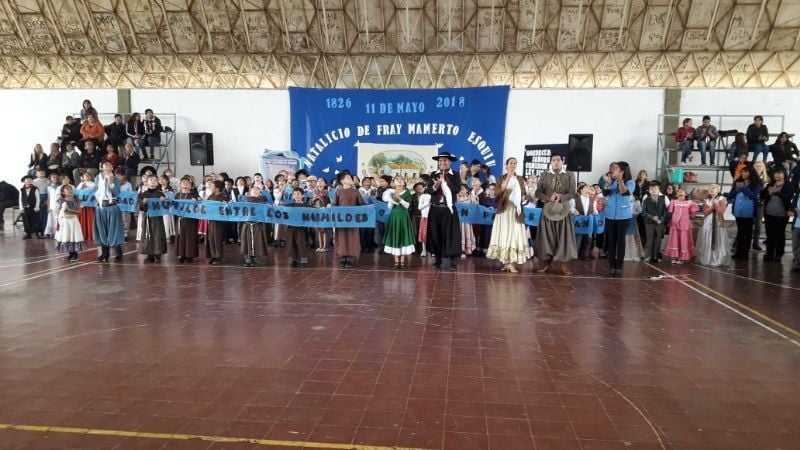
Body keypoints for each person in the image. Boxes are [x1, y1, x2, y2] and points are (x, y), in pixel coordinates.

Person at [535, 154, 577, 275]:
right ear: (550, 162)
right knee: (546, 237)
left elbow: (572, 193)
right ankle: (546, 262)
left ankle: (565, 264)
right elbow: (538, 192)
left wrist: (561, 197)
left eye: (558, 160)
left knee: (564, 237)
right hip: (548, 209)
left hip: (563, 209)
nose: (556, 162)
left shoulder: (569, 174)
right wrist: (549, 197)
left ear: (562, 161)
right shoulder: (544, 175)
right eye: (554, 160)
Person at [487, 157, 528, 273]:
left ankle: (511, 263)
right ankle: (506, 263)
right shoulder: (501, 178)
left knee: (514, 234)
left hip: (515, 210)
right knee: (504, 234)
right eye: (511, 163)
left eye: (515, 163)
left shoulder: (519, 179)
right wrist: (503, 188)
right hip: (504, 210)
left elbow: (523, 193)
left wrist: (524, 195)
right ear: (506, 165)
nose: (513, 165)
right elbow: (496, 194)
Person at [426, 151, 463, 271]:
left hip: (449, 209)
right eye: (440, 161)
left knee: (451, 234)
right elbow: (428, 190)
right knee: (436, 234)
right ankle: (437, 260)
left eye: (445, 161)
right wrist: (436, 186)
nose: (442, 163)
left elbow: (457, 190)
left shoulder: (455, 175)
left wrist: (446, 183)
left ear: (450, 162)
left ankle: (453, 261)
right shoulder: (433, 174)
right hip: (436, 209)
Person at [602, 162, 635, 277]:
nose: (612, 169)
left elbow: (624, 192)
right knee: (611, 240)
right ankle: (612, 265)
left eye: (615, 168)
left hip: (623, 216)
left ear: (622, 171)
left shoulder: (630, 182)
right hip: (610, 215)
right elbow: (605, 194)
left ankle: (619, 266)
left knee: (620, 241)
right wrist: (607, 183)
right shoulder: (612, 182)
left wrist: (620, 181)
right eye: (611, 167)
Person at [761, 168, 796, 262]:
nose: (777, 175)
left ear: (784, 174)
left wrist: (776, 192)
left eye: (779, 173)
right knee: (770, 234)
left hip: (782, 214)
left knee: (780, 234)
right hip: (769, 213)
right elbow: (762, 196)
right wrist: (767, 192)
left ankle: (779, 254)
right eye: (775, 173)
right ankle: (769, 253)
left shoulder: (789, 185)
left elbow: (787, 198)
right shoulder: (770, 184)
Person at [727, 166, 762, 260]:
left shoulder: (756, 184)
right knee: (740, 232)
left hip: (749, 212)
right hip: (738, 211)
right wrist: (737, 190)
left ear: (751, 173)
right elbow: (730, 196)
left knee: (747, 233)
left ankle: (745, 253)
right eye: (742, 172)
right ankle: (738, 252)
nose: (743, 174)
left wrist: (742, 189)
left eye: (746, 172)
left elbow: (753, 196)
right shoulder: (737, 182)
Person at [93, 161, 125, 262]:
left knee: (114, 230)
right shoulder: (98, 178)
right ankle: (104, 253)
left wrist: (111, 184)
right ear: (102, 168)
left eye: (109, 165)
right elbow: (95, 191)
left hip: (112, 207)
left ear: (112, 167)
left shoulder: (115, 178)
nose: (107, 167)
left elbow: (117, 192)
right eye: (105, 165)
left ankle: (118, 252)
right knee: (102, 230)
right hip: (101, 207)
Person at [382, 176, 416, 269]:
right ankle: (396, 261)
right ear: (393, 183)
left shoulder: (407, 192)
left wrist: (399, 198)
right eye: (397, 179)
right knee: (395, 236)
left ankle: (402, 261)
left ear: (404, 182)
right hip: (394, 217)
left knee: (403, 236)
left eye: (401, 179)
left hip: (404, 216)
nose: (399, 181)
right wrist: (393, 199)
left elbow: (407, 206)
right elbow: (389, 206)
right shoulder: (390, 192)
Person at [333, 170, 365, 268]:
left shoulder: (355, 192)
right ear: (342, 181)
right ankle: (343, 256)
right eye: (348, 178)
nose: (351, 179)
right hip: (341, 220)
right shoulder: (338, 192)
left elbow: (362, 204)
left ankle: (351, 256)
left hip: (353, 220)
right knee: (342, 237)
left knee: (352, 237)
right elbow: (335, 204)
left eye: (351, 178)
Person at [695, 184, 730, 267]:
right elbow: (705, 212)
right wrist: (712, 207)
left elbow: (721, 211)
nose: (711, 190)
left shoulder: (722, 199)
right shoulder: (707, 200)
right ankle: (707, 258)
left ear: (718, 190)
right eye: (710, 188)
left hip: (718, 221)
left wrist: (716, 205)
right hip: (708, 221)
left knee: (717, 239)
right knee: (707, 239)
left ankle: (717, 258)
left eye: (713, 188)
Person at [137, 176, 167, 263]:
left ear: (158, 183)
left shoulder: (160, 194)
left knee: (157, 234)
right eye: (151, 180)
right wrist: (143, 202)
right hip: (147, 218)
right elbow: (140, 208)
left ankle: (158, 253)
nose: (153, 182)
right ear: (147, 182)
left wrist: (163, 200)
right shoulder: (143, 194)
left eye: (155, 180)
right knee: (147, 233)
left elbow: (166, 206)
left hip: (157, 218)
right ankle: (149, 253)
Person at [55, 185, 88, 262]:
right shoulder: (61, 200)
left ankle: (75, 255)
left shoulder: (76, 200)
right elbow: (59, 210)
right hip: (65, 221)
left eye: (70, 189)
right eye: (67, 189)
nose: (69, 190)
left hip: (73, 220)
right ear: (63, 191)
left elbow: (79, 211)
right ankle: (70, 254)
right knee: (67, 237)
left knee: (74, 237)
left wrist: (69, 209)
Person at [664, 188, 698, 265]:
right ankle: (675, 257)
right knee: (674, 240)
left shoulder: (690, 202)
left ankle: (682, 257)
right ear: (676, 195)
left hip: (685, 224)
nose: (680, 193)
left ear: (685, 194)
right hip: (675, 224)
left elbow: (693, 213)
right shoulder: (673, 202)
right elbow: (670, 212)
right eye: (678, 192)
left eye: (682, 191)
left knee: (684, 240)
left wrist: (689, 216)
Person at [240, 186, 269, 267]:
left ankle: (256, 259)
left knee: (257, 241)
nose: (254, 191)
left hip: (257, 224)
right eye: (253, 189)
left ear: (260, 192)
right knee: (247, 241)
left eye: (257, 190)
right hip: (247, 223)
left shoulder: (262, 201)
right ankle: (247, 258)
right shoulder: (245, 200)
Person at [641, 181, 668, 263]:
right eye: (651, 189)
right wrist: (652, 217)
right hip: (649, 223)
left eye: (655, 189)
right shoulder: (646, 200)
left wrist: (661, 219)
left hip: (660, 223)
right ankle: (648, 256)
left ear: (658, 190)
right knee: (650, 240)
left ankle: (655, 256)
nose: (653, 190)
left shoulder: (662, 200)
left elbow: (665, 212)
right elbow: (643, 212)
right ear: (649, 190)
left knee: (658, 240)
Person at [570, 183, 597, 261]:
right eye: (586, 187)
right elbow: (570, 208)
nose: (588, 189)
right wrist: (574, 211)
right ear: (581, 190)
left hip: (589, 221)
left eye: (588, 188)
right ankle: (575, 254)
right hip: (579, 220)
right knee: (578, 238)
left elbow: (595, 209)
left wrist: (595, 212)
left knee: (588, 238)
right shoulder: (575, 199)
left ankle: (585, 255)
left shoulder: (592, 200)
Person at [175, 177, 199, 263]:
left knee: (190, 237)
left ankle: (190, 255)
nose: (185, 184)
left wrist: (197, 201)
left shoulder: (194, 195)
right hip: (180, 219)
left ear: (190, 186)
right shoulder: (177, 195)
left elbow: (200, 205)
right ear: (180, 184)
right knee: (180, 236)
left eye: (188, 183)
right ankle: (180, 254)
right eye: (183, 182)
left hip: (191, 220)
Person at [286, 188, 310, 268]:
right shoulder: (289, 206)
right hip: (291, 226)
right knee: (291, 242)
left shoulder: (307, 206)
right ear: (293, 196)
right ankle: (294, 258)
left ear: (303, 195)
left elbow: (316, 212)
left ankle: (303, 258)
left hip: (302, 227)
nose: (296, 195)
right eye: (295, 194)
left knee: (301, 242)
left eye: (298, 194)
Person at [205, 179, 225, 265]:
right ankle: (212, 255)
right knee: (210, 238)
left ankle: (218, 256)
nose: (210, 187)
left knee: (217, 238)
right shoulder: (210, 197)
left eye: (212, 186)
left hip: (218, 221)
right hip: (210, 220)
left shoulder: (222, 197)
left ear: (217, 188)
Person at [753, 160, 770, 251]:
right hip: (751, 202)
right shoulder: (750, 178)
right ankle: (738, 240)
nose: (758, 167)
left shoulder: (767, 179)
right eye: (757, 166)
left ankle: (755, 243)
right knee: (746, 222)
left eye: (760, 166)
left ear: (763, 168)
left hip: (761, 203)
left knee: (758, 224)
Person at [456, 185, 477, 258]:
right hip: (459, 220)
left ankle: (467, 250)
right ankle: (459, 250)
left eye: (462, 189)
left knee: (467, 233)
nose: (461, 191)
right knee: (459, 233)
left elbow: (476, 206)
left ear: (467, 190)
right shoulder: (457, 198)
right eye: (460, 189)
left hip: (467, 220)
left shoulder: (470, 198)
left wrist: (473, 197)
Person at [76, 172, 96, 243]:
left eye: (88, 176)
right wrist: (82, 187)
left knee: (90, 219)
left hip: (90, 204)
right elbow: (77, 192)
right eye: (85, 176)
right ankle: (83, 234)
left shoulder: (93, 184)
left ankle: (91, 234)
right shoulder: (80, 184)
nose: (87, 177)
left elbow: (94, 193)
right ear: (83, 177)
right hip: (82, 205)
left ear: (91, 177)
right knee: (82, 219)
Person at [19, 175, 41, 240]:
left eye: (30, 179)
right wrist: (21, 208)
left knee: (34, 220)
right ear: (24, 181)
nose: (28, 180)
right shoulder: (22, 189)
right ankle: (28, 234)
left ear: (32, 181)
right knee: (26, 221)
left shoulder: (35, 189)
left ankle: (36, 233)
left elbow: (38, 198)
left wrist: (37, 206)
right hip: (25, 207)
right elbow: (20, 199)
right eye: (27, 179)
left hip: (33, 207)